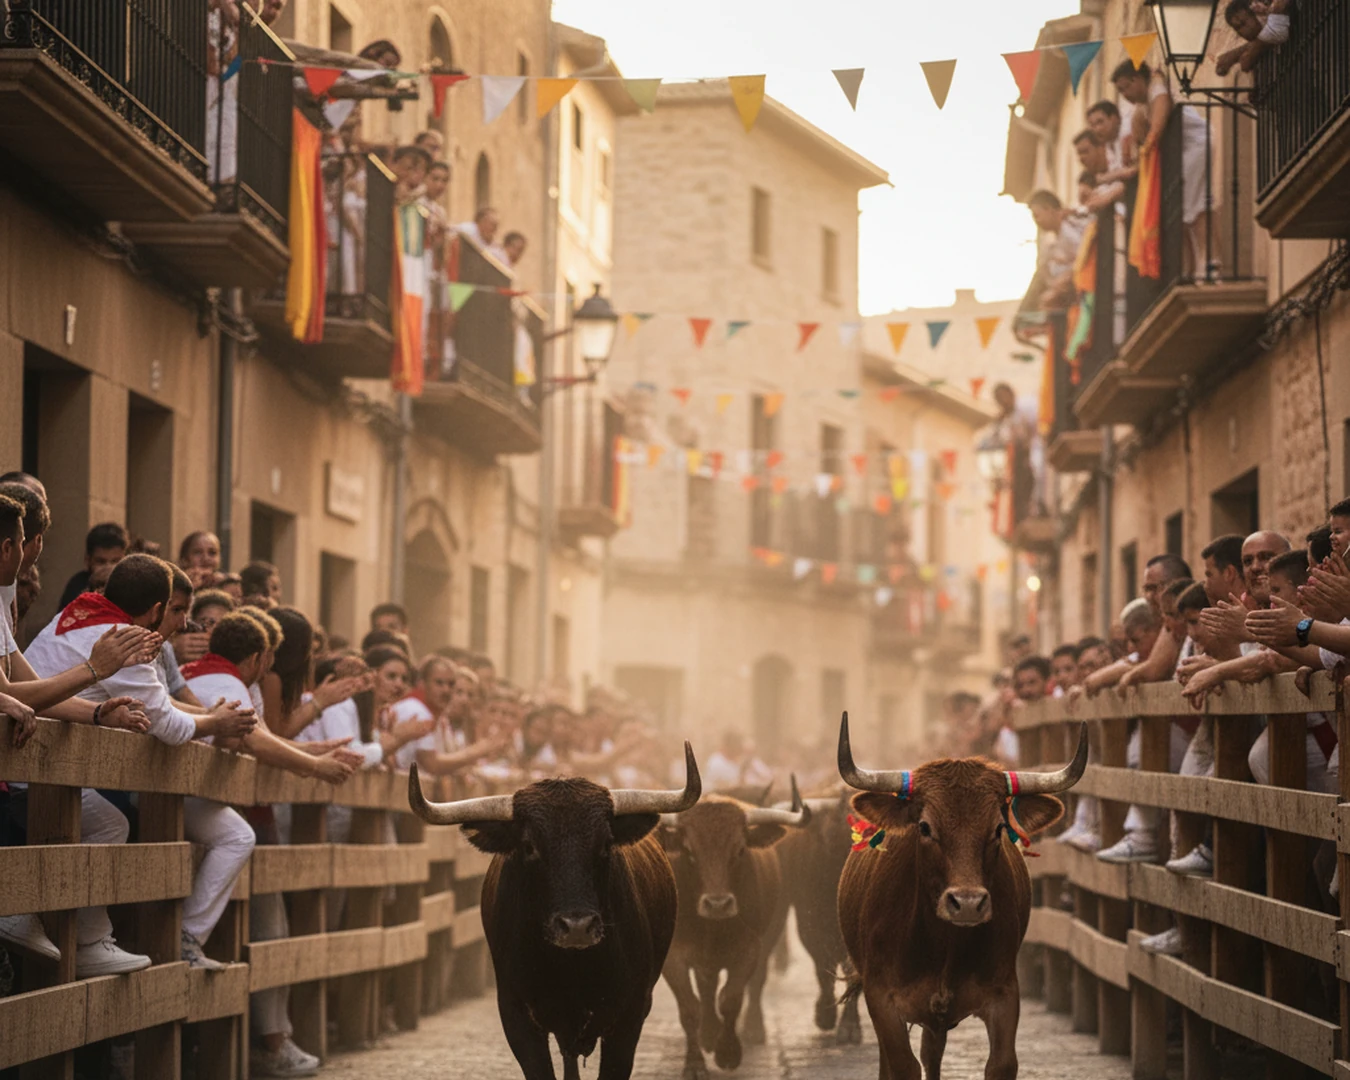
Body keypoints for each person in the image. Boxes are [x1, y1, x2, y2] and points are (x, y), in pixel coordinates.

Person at [1112, 60, 1218, 280]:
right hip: (1183, 154)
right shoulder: (1141, 107)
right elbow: (1140, 142)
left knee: (1195, 207)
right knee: (1184, 211)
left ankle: (1210, 262)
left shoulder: (1157, 89)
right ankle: (1191, 269)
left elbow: (1157, 129)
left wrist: (1143, 147)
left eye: (1126, 87)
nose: (1125, 95)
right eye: (1120, 91)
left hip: (1196, 146)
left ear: (1138, 79)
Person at [58, 523, 129, 609]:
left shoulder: (133, 585)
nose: (108, 568)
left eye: (115, 561)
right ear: (88, 560)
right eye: (101, 562)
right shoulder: (77, 584)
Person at [1216, 0, 1291, 76]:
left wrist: (1250, 52)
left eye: (1243, 24)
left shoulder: (1278, 10)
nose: (1242, 32)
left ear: (1257, 14)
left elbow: (1277, 31)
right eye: (1237, 28)